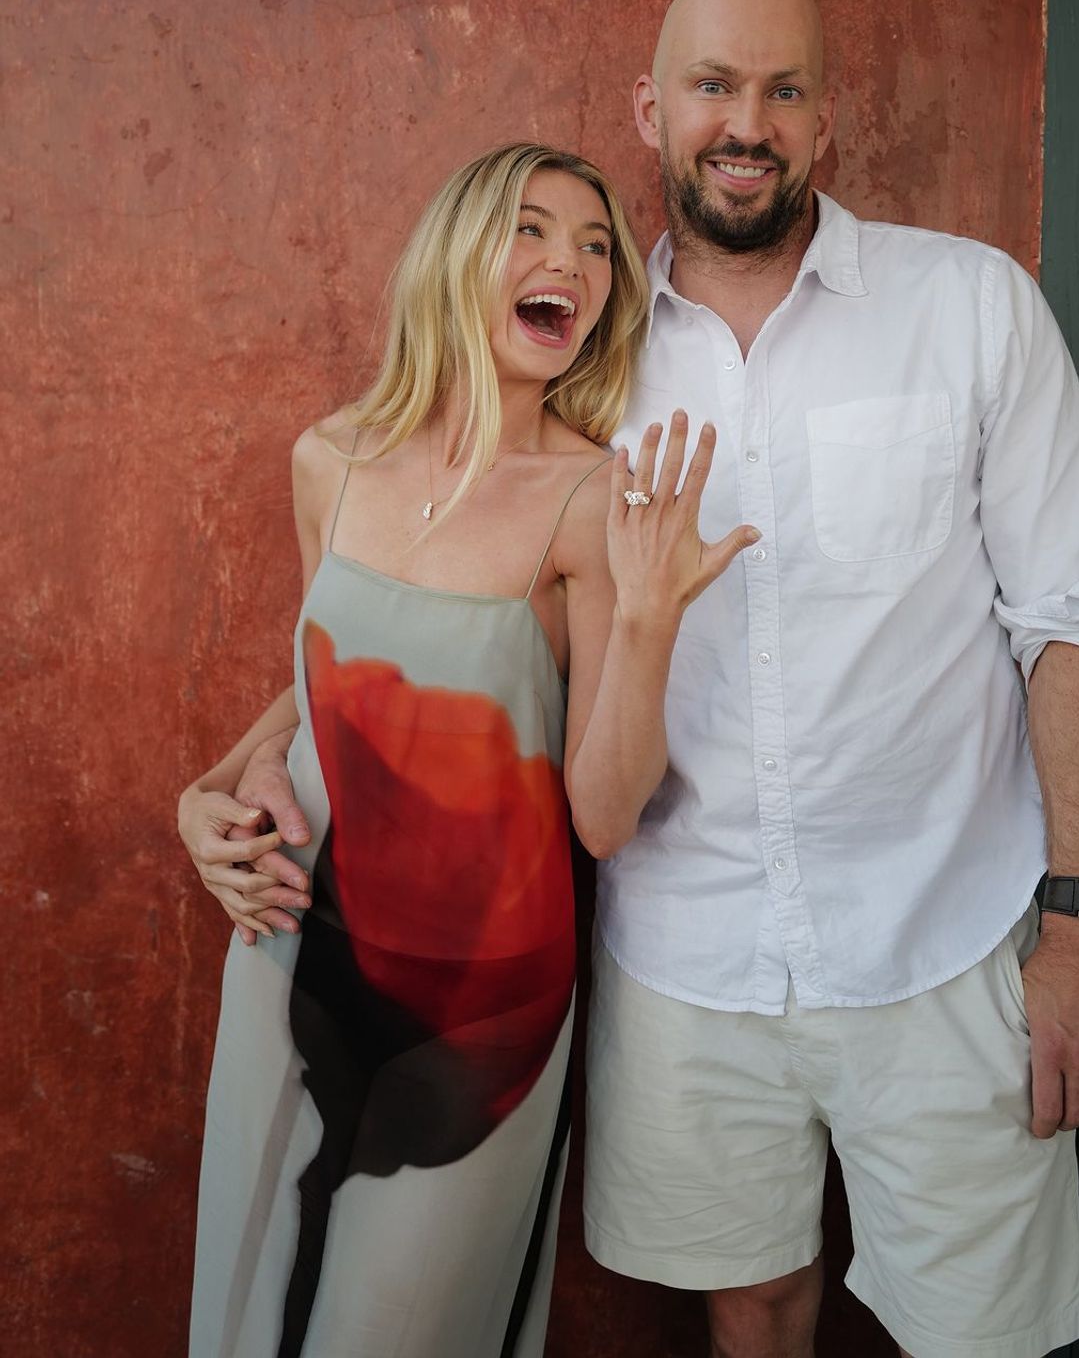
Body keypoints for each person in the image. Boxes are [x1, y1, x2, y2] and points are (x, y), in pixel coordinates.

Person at [212, 0, 1079, 1358]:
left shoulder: (970, 308)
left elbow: (1063, 618)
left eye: (784, 90)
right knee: (749, 1311)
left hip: (945, 941)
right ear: (654, 109)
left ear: (828, 118)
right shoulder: (594, 377)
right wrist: (233, 775)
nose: (749, 122)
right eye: (715, 87)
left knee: (991, 1331)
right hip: (687, 957)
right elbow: (417, 616)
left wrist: (1075, 931)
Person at [177, 140, 757, 1358]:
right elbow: (320, 684)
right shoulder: (328, 460)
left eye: (599, 248)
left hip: (481, 1018)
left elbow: (601, 818)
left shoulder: (592, 504)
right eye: (535, 233)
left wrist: (649, 623)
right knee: (250, 1311)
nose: (574, 267)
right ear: (458, 257)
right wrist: (207, 796)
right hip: (289, 957)